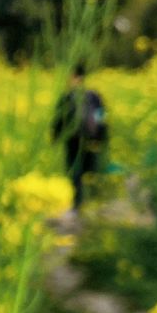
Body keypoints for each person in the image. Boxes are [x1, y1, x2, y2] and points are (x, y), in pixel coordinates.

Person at [50, 63, 108, 211]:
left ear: (74, 76)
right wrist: (101, 136)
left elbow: (58, 119)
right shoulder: (94, 96)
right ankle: (94, 202)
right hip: (91, 138)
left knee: (74, 169)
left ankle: (78, 204)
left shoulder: (67, 96)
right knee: (91, 169)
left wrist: (55, 137)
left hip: (72, 139)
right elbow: (101, 116)